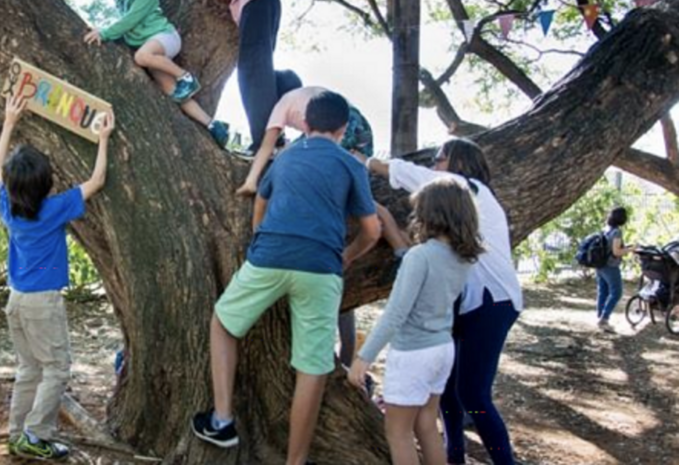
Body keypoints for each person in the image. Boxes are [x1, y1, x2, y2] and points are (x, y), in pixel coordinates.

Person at [190, 91, 381, 465]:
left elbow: (261, 204)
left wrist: (261, 242)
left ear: (305, 125)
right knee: (312, 366)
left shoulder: (286, 156)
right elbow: (372, 230)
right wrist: (347, 254)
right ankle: (295, 461)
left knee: (223, 323)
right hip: (322, 267)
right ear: (343, 129)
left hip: (271, 256)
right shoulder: (351, 165)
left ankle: (223, 419)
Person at [361, 138, 523, 465]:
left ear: (458, 163)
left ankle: (504, 461)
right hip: (469, 304)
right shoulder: (460, 226)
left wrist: (369, 164)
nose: (434, 165)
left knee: (474, 396)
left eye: (439, 159)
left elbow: (412, 175)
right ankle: (454, 456)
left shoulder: (466, 187)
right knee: (448, 390)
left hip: (493, 302)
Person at [0, 94, 115, 460]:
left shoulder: (8, 206)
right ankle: (36, 434)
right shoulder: (52, 209)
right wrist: (104, 138)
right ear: (46, 184)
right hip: (42, 303)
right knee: (57, 369)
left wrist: (9, 121)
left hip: (16, 301)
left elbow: (0, 167)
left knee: (29, 368)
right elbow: (96, 180)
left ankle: (18, 433)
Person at [348, 179, 483, 465]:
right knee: (426, 426)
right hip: (442, 349)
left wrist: (363, 357)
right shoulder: (462, 257)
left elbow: (396, 313)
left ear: (432, 214)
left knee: (398, 432)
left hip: (413, 353)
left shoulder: (420, 257)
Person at [85, 0, 229, 148]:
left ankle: (185, 76)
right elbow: (126, 26)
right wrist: (101, 30)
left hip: (165, 37)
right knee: (174, 93)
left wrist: (105, 33)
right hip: (152, 51)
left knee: (141, 57)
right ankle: (213, 125)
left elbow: (132, 19)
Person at [199, 0, 281, 154]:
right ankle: (274, 132)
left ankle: (264, 141)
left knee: (251, 71)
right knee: (260, 69)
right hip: (262, 0)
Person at [236, 85, 374, 197]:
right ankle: (378, 167)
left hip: (338, 123)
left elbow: (266, 147)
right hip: (359, 121)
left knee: (298, 156)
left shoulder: (281, 106)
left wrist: (251, 181)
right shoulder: (304, 94)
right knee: (353, 159)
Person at [596, 206, 636, 331]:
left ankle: (600, 317)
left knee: (603, 291)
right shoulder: (617, 231)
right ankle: (604, 318)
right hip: (610, 266)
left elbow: (610, 247)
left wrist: (627, 246)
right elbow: (616, 251)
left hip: (600, 265)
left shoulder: (606, 229)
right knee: (616, 293)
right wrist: (631, 249)